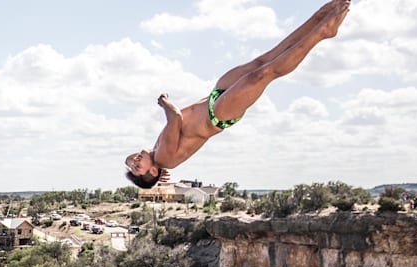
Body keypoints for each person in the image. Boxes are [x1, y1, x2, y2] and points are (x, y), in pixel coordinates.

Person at [124, 0, 350, 187]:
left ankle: (318, 17)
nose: (134, 160)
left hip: (214, 97)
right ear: (153, 170)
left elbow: (129, 160)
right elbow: (175, 119)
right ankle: (322, 32)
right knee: (264, 73)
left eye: (133, 163)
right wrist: (164, 102)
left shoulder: (157, 154)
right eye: (138, 166)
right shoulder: (163, 157)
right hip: (218, 114)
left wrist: (141, 166)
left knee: (264, 59)